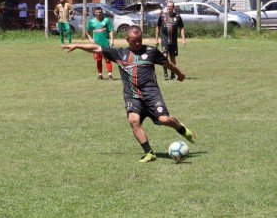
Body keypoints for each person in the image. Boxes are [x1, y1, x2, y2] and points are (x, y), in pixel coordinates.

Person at [63, 25, 195, 163]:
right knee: (133, 120)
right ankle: (149, 153)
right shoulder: (120, 54)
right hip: (132, 96)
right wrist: (77, 45)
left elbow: (167, 64)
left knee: (164, 120)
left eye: (139, 40)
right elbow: (97, 48)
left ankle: (181, 128)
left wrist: (180, 74)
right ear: (127, 40)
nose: (137, 43)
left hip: (151, 94)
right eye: (134, 41)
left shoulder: (151, 51)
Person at [155, 1, 186, 80]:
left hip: (173, 41)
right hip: (164, 40)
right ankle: (165, 74)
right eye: (168, 6)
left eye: (171, 6)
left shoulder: (178, 17)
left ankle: (172, 74)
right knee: (165, 57)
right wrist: (156, 39)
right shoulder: (162, 16)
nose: (169, 8)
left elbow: (181, 28)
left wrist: (183, 39)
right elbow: (158, 27)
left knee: (173, 59)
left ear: (173, 7)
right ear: (166, 7)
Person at [86, 7, 114, 80]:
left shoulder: (107, 20)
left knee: (108, 59)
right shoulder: (91, 22)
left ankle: (110, 75)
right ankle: (100, 75)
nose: (99, 13)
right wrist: (90, 38)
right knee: (98, 60)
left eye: (100, 12)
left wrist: (112, 40)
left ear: (102, 12)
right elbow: (87, 31)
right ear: (95, 13)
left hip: (106, 43)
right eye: (97, 12)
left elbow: (110, 30)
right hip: (96, 45)